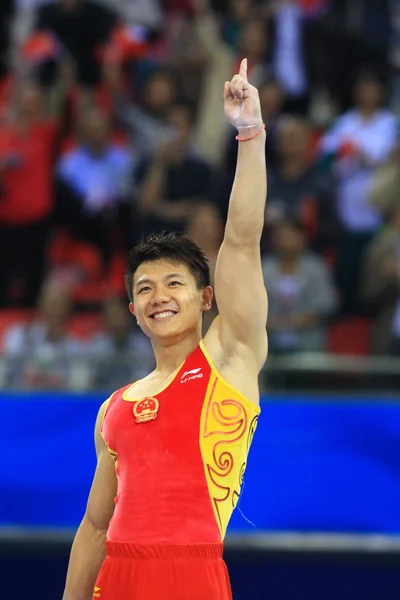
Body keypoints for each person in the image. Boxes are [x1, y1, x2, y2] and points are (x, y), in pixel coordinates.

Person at [62, 58, 268, 600]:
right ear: (132, 308)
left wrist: (249, 134)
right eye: (145, 289)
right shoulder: (115, 409)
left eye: (173, 283)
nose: (159, 297)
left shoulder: (229, 359)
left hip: (191, 576)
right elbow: (95, 527)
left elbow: (243, 242)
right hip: (118, 579)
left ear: (205, 298)